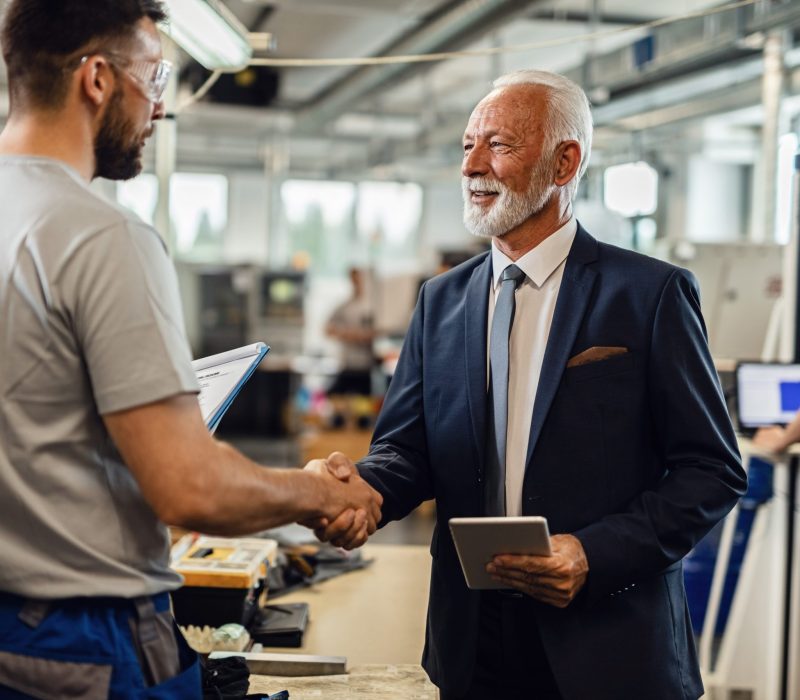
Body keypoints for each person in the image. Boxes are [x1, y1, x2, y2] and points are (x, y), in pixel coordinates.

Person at [317, 70, 747, 699]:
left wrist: (594, 554)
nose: (472, 166)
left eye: (499, 145)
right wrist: (363, 492)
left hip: (610, 641)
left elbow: (711, 470)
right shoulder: (442, 301)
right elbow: (407, 450)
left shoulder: (649, 295)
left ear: (564, 162)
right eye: (467, 145)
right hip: (475, 643)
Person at [0, 1, 381, 697]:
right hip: (82, 641)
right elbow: (189, 486)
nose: (160, 106)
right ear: (97, 79)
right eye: (156, 75)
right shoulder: (101, 235)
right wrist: (316, 493)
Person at [325, 267, 377, 396]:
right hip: (347, 364)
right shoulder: (345, 306)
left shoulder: (372, 307)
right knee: (334, 398)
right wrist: (348, 334)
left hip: (365, 367)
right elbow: (327, 329)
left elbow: (376, 334)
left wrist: (360, 335)